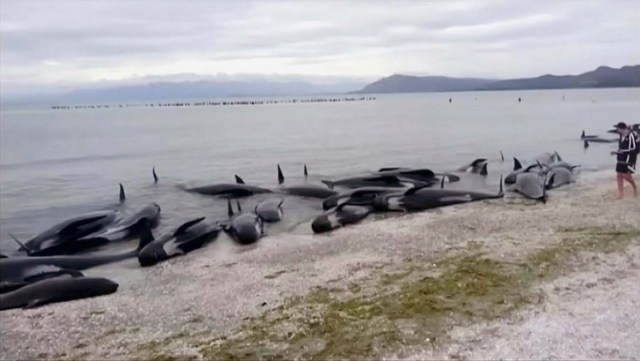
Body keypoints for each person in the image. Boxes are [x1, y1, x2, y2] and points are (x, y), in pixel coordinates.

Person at [610, 122, 637, 199]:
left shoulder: (631, 135)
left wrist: (620, 152)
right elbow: (621, 146)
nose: (617, 130)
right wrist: (617, 152)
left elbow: (633, 148)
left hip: (629, 157)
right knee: (619, 175)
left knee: (626, 176)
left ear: (623, 129)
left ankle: (634, 187)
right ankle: (620, 194)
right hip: (620, 157)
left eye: (618, 128)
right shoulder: (621, 135)